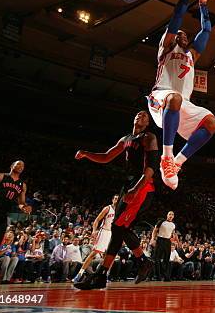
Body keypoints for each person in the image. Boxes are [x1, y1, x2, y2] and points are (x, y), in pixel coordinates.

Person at [73, 111, 158, 290]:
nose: (139, 116)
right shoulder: (125, 139)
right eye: (138, 114)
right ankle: (106, 274)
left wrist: (136, 188)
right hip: (127, 185)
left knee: (120, 227)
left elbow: (150, 168)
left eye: (144, 116)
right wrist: (86, 154)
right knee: (117, 228)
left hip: (143, 186)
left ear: (148, 122)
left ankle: (141, 261)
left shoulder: (148, 137)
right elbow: (106, 156)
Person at [147, 0, 215, 190]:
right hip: (160, 96)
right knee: (175, 98)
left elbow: (206, 30)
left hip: (181, 103)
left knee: (212, 123)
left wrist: (204, 5)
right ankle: (166, 157)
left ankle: (176, 163)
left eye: (186, 35)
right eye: (179, 34)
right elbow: (177, 15)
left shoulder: (192, 55)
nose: (183, 35)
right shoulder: (166, 48)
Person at [73, 195, 119, 283]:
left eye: (118, 199)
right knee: (93, 253)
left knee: (110, 256)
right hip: (104, 232)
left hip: (112, 233)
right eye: (115, 199)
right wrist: (94, 231)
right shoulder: (107, 208)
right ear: (112, 199)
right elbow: (97, 220)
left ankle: (104, 275)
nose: (117, 200)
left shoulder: (120, 211)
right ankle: (79, 274)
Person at [151, 211, 177, 281]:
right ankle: (157, 276)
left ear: (173, 216)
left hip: (168, 241)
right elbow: (154, 230)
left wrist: (175, 240)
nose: (171, 215)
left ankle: (166, 277)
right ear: (167, 215)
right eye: (170, 214)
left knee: (166, 259)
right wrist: (152, 239)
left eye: (172, 214)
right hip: (160, 240)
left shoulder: (173, 225)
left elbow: (172, 233)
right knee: (156, 258)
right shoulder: (161, 221)